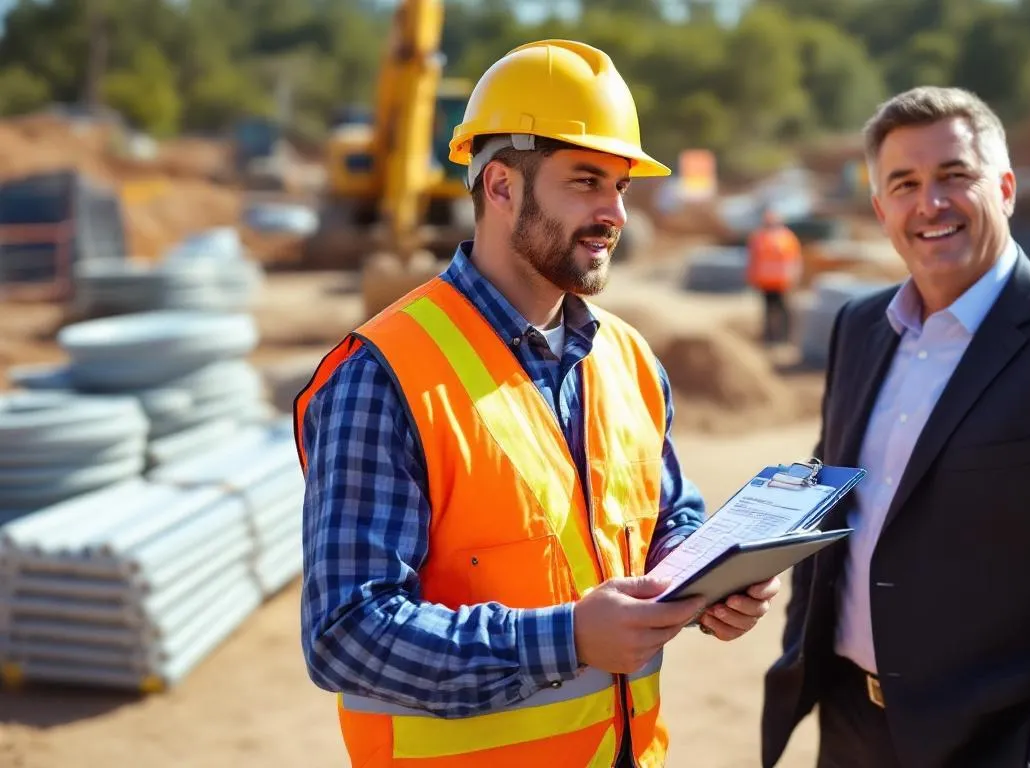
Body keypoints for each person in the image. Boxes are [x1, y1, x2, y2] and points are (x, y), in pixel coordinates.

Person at [294, 39, 779, 768]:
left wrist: (703, 578)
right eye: (585, 181)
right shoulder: (384, 375)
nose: (614, 212)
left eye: (620, 186)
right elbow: (347, 633)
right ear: (500, 187)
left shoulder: (629, 360)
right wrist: (570, 638)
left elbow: (663, 514)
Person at [760, 86, 1030, 768]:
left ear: (1007, 188)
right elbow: (834, 500)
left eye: (954, 176)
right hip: (853, 733)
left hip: (1007, 745)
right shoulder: (860, 328)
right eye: (904, 184)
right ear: (880, 210)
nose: (929, 203)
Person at [746, 207, 804, 344]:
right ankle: (771, 336)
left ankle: (783, 336)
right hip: (769, 281)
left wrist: (795, 276)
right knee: (770, 310)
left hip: (780, 281)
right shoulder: (760, 237)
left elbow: (794, 259)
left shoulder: (785, 238)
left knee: (782, 309)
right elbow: (753, 259)